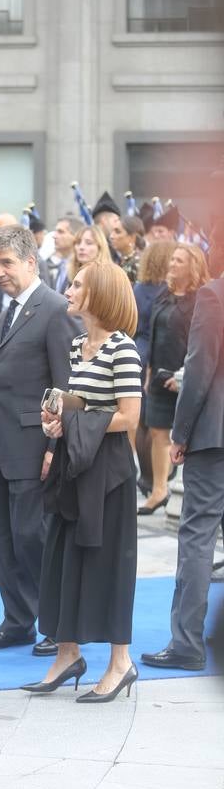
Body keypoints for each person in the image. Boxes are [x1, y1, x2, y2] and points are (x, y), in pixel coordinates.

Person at [23, 260, 142, 702]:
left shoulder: (122, 349)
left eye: (77, 284)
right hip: (75, 464)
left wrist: (74, 423)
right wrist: (58, 417)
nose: (68, 290)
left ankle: (121, 663)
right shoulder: (77, 346)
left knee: (110, 563)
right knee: (62, 558)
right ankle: (67, 654)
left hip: (109, 471)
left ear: (99, 294)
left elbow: (129, 417)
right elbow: (82, 403)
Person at [0, 225, 80, 658]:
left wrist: (54, 449)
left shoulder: (54, 309)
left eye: (7, 263)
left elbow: (66, 386)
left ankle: (55, 624)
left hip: (35, 445)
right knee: (6, 537)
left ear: (31, 262)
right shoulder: (7, 310)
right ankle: (18, 621)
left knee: (33, 536)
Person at [141, 272, 224, 671]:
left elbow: (200, 366)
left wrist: (180, 432)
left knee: (198, 534)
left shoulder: (214, 294)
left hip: (215, 434)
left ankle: (187, 642)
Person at [140, 244, 210, 514]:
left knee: (186, 435)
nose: (172, 264)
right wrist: (148, 372)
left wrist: (182, 375)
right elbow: (153, 333)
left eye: (178, 261)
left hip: (185, 375)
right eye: (172, 259)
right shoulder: (163, 294)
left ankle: (190, 493)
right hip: (158, 373)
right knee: (157, 431)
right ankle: (159, 490)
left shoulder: (200, 299)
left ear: (192, 265)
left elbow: (199, 342)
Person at [132, 242, 175, 495]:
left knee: (141, 422)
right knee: (156, 422)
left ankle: (146, 478)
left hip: (138, 349)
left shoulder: (138, 288)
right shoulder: (167, 290)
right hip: (155, 354)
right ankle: (156, 480)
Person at [46, 216, 84, 293]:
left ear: (75, 236)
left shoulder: (82, 268)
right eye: (56, 231)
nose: (54, 236)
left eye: (60, 232)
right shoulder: (61, 265)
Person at [110, 215, 145, 283]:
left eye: (117, 232)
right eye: (112, 231)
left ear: (132, 238)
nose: (111, 236)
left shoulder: (138, 264)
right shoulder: (120, 260)